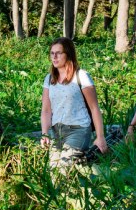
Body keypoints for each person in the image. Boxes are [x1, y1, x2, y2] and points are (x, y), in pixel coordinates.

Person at [40, 37, 108, 167]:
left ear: (68, 54)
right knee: (52, 169)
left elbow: (94, 108)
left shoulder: (81, 76)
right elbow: (46, 110)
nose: (54, 57)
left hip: (78, 130)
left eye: (59, 53)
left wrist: (100, 137)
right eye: (52, 53)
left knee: (63, 167)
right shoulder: (49, 79)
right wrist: (45, 133)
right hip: (57, 131)